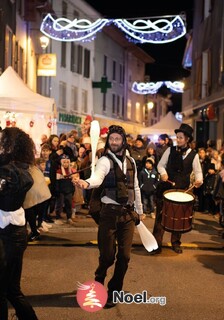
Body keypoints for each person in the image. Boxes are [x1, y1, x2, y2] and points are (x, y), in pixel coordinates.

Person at [73, 125, 144, 308]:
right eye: (111, 139)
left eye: (117, 139)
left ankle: (114, 291)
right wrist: (86, 183)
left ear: (123, 141)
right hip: (109, 214)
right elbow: (97, 178)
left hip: (128, 214)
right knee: (107, 256)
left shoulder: (131, 162)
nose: (113, 142)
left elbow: (135, 187)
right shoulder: (104, 160)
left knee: (125, 257)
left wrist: (140, 210)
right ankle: (99, 278)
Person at [0, 127, 38, 320]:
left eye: (3, 141)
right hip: (15, 232)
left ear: (10, 145)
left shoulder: (10, 171)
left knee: (6, 290)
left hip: (9, 235)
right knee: (11, 289)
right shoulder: (19, 167)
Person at [151, 123, 203, 255]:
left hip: (182, 190)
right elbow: (160, 165)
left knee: (179, 218)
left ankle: (175, 242)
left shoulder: (194, 155)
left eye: (180, 137)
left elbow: (198, 172)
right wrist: (163, 173)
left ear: (187, 139)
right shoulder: (170, 150)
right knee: (160, 218)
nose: (178, 139)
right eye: (177, 137)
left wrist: (199, 180)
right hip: (166, 188)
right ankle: (156, 244)